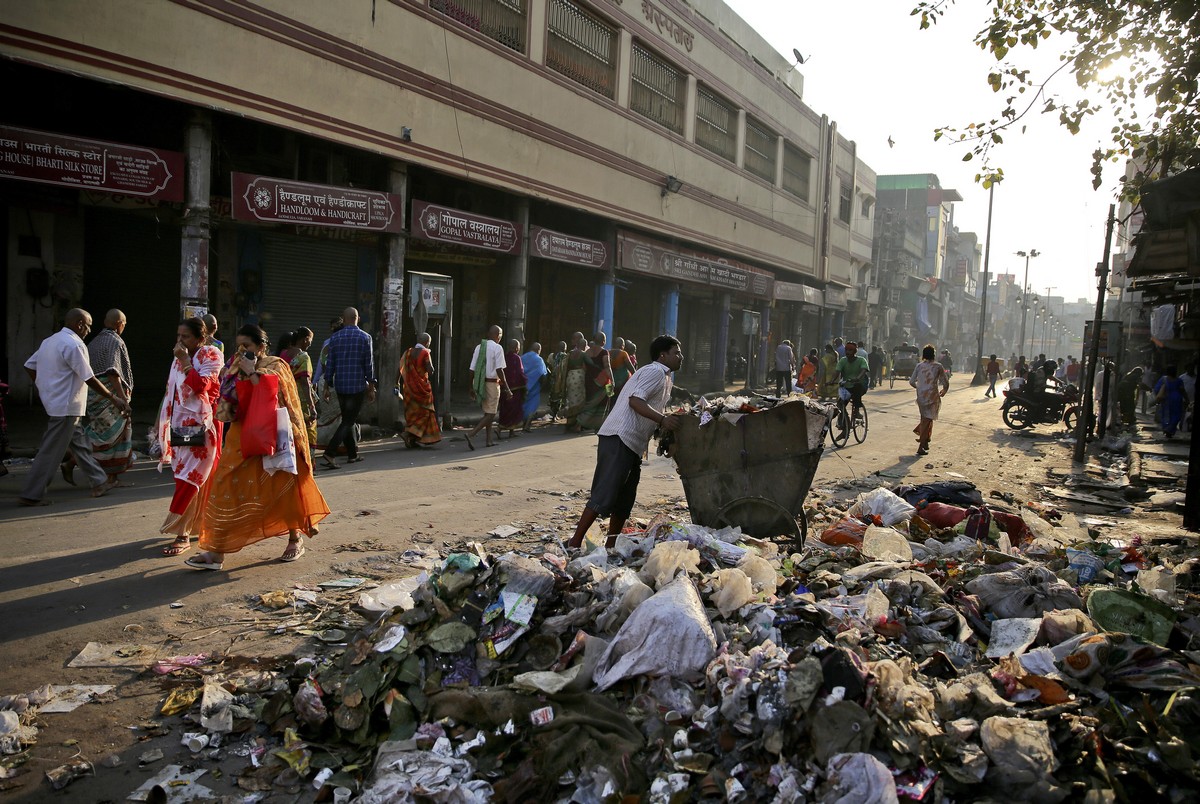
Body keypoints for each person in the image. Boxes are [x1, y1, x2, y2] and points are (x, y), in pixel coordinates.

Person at [184, 325, 330, 569]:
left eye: (247, 346)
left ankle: (295, 539)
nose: (242, 351)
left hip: (271, 435)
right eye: (239, 345)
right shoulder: (233, 364)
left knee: (282, 485)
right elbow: (226, 400)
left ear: (261, 347)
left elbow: (277, 398)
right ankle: (216, 552)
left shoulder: (275, 365)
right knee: (225, 485)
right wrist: (236, 372)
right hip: (241, 435)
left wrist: (253, 373)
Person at [567, 335, 684, 549]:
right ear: (662, 355)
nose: (680, 357)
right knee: (605, 492)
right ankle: (575, 542)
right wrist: (663, 420)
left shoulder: (665, 377)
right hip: (619, 436)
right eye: (676, 353)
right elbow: (635, 401)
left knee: (625, 499)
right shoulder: (654, 371)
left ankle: (611, 545)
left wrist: (664, 421)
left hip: (633, 443)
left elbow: (649, 407)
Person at [19, 309, 131, 506]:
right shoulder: (74, 344)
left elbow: (30, 366)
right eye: (87, 325)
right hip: (66, 407)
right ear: (79, 324)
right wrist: (114, 398)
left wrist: (45, 387)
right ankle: (32, 494)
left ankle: (99, 481)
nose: (89, 330)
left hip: (62, 405)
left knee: (81, 446)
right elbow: (90, 378)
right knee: (50, 451)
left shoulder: (50, 341)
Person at [157, 317, 224, 556]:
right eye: (178, 336)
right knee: (183, 477)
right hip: (180, 427)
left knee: (191, 479)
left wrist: (185, 361)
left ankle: (182, 533)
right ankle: (197, 527)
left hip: (204, 428)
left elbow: (202, 386)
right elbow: (171, 394)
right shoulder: (178, 359)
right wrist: (161, 424)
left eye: (185, 337)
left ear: (200, 338)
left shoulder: (211, 354)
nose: (180, 341)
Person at [69, 309, 135, 487]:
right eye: (124, 324)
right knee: (110, 437)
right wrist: (121, 399)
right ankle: (74, 460)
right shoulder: (115, 341)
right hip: (110, 399)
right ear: (119, 324)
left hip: (93, 398)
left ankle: (111, 476)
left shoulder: (95, 341)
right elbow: (113, 373)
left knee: (102, 434)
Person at [321, 307, 376, 469]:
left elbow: (329, 364)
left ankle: (352, 454)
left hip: (341, 386)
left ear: (344, 320)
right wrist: (371, 386)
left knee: (347, 419)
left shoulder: (335, 338)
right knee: (348, 420)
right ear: (357, 319)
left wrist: (326, 385)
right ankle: (330, 452)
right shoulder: (365, 337)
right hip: (357, 386)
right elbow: (369, 364)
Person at [465, 324, 510, 449]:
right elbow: (500, 370)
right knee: (491, 414)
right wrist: (507, 387)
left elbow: (471, 369)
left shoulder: (479, 347)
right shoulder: (497, 348)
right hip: (492, 383)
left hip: (480, 383)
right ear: (497, 336)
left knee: (487, 412)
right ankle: (471, 434)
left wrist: (471, 386)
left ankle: (488, 440)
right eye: (500, 334)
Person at [396, 332, 441, 448]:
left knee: (412, 414)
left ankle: (412, 439)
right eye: (429, 343)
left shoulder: (407, 352)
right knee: (425, 413)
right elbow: (430, 369)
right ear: (426, 342)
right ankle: (407, 434)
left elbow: (399, 368)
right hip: (422, 390)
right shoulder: (425, 352)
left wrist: (396, 382)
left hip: (408, 389)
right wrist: (431, 369)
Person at [909, 345, 949, 456]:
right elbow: (945, 382)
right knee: (926, 420)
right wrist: (944, 390)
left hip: (921, 397)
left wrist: (920, 388)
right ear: (933, 354)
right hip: (932, 396)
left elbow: (912, 381)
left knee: (926, 419)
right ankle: (921, 445)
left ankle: (925, 440)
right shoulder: (938, 366)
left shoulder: (919, 366)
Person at [570, 332, 613, 432]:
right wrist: (612, 380)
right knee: (602, 403)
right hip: (603, 382)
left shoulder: (587, 352)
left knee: (589, 403)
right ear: (603, 341)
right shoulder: (604, 352)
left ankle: (579, 423)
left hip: (589, 381)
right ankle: (598, 426)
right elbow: (607, 367)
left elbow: (584, 368)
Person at [284, 327, 318, 450]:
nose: (310, 343)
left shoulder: (284, 354)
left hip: (287, 395)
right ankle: (306, 460)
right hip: (301, 399)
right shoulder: (304, 357)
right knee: (308, 431)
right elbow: (305, 382)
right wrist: (311, 406)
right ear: (305, 339)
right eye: (310, 340)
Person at [833, 341, 870, 426]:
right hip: (847, 386)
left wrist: (858, 378)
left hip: (860, 384)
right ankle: (845, 423)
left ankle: (856, 411)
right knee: (840, 404)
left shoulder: (861, 360)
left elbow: (863, 370)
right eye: (846, 350)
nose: (848, 352)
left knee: (857, 388)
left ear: (854, 351)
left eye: (850, 350)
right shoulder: (843, 360)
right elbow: (837, 371)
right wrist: (831, 381)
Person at [497, 339, 527, 438]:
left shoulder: (504, 357)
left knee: (505, 409)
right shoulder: (517, 358)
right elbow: (520, 372)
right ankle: (504, 430)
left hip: (504, 388)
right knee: (514, 410)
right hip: (515, 389)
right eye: (518, 347)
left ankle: (506, 430)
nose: (519, 348)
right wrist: (525, 382)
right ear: (515, 348)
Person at [560, 333, 588, 432]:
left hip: (570, 377)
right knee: (580, 401)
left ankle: (569, 423)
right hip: (580, 377)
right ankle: (577, 425)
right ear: (584, 345)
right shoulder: (584, 354)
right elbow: (586, 367)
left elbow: (565, 367)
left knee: (571, 401)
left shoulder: (570, 353)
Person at [520, 342, 548, 432]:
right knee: (532, 406)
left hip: (522, 386)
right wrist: (542, 386)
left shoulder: (523, 357)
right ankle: (527, 425)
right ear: (538, 350)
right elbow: (543, 374)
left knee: (523, 405)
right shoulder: (539, 359)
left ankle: (522, 422)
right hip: (534, 387)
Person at [1153, 366, 1188, 438]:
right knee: (1177, 415)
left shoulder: (1163, 379)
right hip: (1177, 400)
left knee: (1166, 414)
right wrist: (1187, 399)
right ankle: (1170, 429)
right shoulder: (1179, 380)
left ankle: (1166, 428)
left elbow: (1156, 389)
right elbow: (1182, 390)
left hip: (1166, 400)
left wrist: (1159, 396)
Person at [312, 316, 343, 388]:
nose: (332, 329)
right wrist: (315, 381)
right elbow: (321, 362)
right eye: (332, 327)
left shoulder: (328, 343)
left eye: (334, 327)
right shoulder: (327, 343)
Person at [546, 340, 569, 418]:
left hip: (553, 379)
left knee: (553, 396)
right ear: (564, 348)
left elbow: (547, 367)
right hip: (561, 380)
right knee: (560, 397)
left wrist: (551, 374)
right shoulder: (565, 356)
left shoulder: (551, 355)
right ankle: (557, 414)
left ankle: (554, 414)